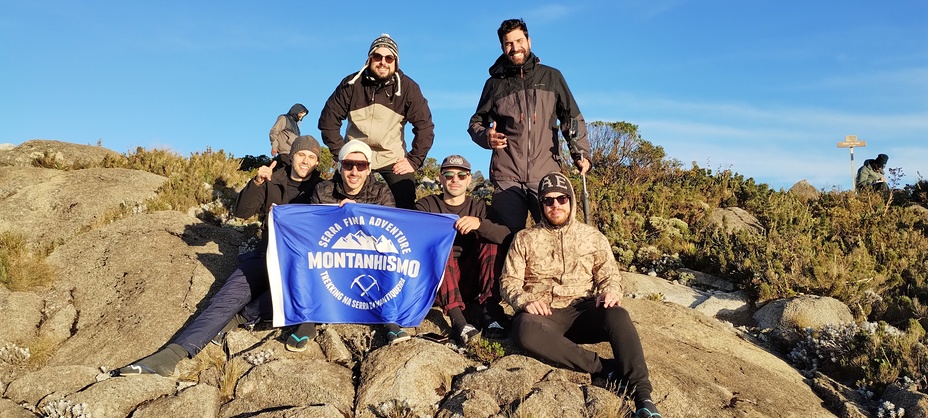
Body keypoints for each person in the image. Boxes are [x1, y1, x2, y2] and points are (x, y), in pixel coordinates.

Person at [116, 135, 325, 376]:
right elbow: (241, 211)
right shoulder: (272, 178)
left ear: (317, 162)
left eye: (312, 157)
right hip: (265, 253)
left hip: (296, 264)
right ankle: (169, 357)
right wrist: (257, 182)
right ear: (293, 156)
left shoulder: (321, 189)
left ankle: (240, 318)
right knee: (226, 297)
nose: (306, 160)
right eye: (301, 155)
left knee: (290, 297)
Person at [500, 171, 661, 418]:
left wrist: (610, 292)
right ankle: (604, 369)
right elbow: (509, 281)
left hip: (582, 310)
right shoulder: (524, 238)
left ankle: (643, 396)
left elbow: (610, 276)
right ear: (541, 204)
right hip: (543, 316)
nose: (555, 205)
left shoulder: (593, 237)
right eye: (548, 200)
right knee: (523, 330)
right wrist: (525, 301)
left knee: (618, 315)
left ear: (571, 201)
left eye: (562, 199)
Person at [468, 18, 591, 233]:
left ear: (529, 41)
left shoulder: (552, 76)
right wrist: (487, 136)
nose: (515, 48)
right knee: (504, 238)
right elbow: (476, 123)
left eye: (519, 40)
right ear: (502, 47)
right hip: (507, 177)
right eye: (508, 43)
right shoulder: (494, 84)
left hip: (546, 174)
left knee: (555, 235)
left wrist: (580, 153)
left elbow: (571, 117)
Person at [284, 140, 408, 350]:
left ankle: (390, 318)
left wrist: (359, 212)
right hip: (333, 255)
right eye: (349, 164)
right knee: (303, 256)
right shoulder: (323, 190)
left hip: (371, 254)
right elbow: (313, 228)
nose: (354, 171)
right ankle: (307, 320)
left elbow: (390, 231)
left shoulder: (381, 192)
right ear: (340, 167)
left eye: (361, 166)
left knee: (391, 257)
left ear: (368, 169)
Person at [318, 34, 435, 210]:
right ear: (369, 58)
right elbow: (329, 120)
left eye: (389, 58)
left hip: (391, 157)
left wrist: (413, 160)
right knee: (334, 198)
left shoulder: (409, 88)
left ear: (396, 62)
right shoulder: (351, 84)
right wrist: (341, 154)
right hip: (356, 155)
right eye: (377, 56)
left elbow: (425, 127)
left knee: (405, 201)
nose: (383, 62)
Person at [414, 155, 511, 344]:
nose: (455, 180)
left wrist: (480, 224)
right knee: (440, 246)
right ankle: (458, 319)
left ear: (469, 179)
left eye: (461, 175)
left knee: (490, 242)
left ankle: (490, 309)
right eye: (449, 175)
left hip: (471, 278)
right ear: (440, 178)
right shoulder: (425, 206)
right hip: (438, 281)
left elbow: (507, 236)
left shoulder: (480, 207)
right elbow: (410, 236)